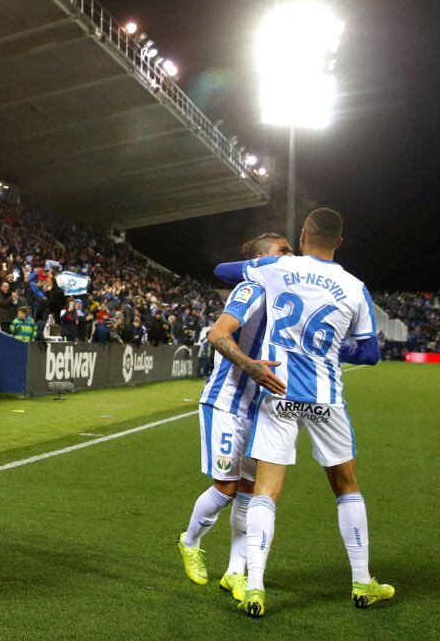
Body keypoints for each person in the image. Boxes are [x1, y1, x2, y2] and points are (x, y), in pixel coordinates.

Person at [214, 209, 391, 617]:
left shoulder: (279, 266)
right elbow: (370, 353)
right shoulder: (354, 286)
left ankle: (255, 587)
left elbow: (224, 271)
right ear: (340, 241)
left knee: (265, 491)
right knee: (346, 486)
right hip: (326, 396)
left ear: (304, 234)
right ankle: (363, 582)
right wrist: (333, 350)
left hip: (278, 388)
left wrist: (263, 266)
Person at [175, 232, 292, 604]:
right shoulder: (251, 288)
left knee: (249, 493)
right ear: (261, 259)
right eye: (283, 251)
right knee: (226, 488)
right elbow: (217, 335)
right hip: (226, 402)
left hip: (260, 408)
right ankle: (189, 541)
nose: (291, 256)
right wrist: (251, 366)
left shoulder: (286, 299)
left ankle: (234, 574)